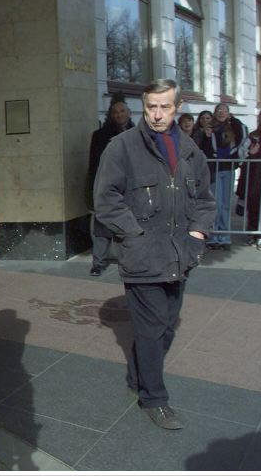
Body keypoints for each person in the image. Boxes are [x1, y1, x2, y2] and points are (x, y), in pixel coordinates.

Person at [94, 79, 215, 430]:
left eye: (165, 107)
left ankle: (137, 377)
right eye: (151, 107)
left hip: (180, 255)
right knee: (151, 329)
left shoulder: (190, 149)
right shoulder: (122, 147)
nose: (157, 114)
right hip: (142, 256)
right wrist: (135, 235)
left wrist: (196, 235)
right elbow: (106, 200)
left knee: (165, 327)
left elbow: (205, 200)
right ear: (143, 106)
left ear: (177, 108)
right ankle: (154, 398)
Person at [85, 92, 134, 276]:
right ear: (111, 115)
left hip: (129, 187)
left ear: (129, 113)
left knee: (127, 225)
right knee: (102, 227)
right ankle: (99, 262)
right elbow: (93, 166)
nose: (119, 114)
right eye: (115, 112)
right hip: (106, 186)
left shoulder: (137, 134)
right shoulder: (100, 136)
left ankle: (129, 262)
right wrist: (93, 191)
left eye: (122, 111)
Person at [206, 103, 248, 250]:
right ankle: (213, 236)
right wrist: (207, 136)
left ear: (228, 113)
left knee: (225, 204)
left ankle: (224, 236)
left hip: (228, 169)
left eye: (224, 111)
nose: (221, 113)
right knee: (215, 203)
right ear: (215, 113)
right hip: (214, 170)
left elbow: (243, 133)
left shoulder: (233, 128)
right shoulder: (210, 128)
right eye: (219, 110)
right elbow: (205, 148)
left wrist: (233, 119)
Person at [240, 107, 261, 250]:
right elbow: (242, 155)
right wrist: (250, 153)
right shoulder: (253, 139)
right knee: (253, 207)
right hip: (254, 179)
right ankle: (252, 234)